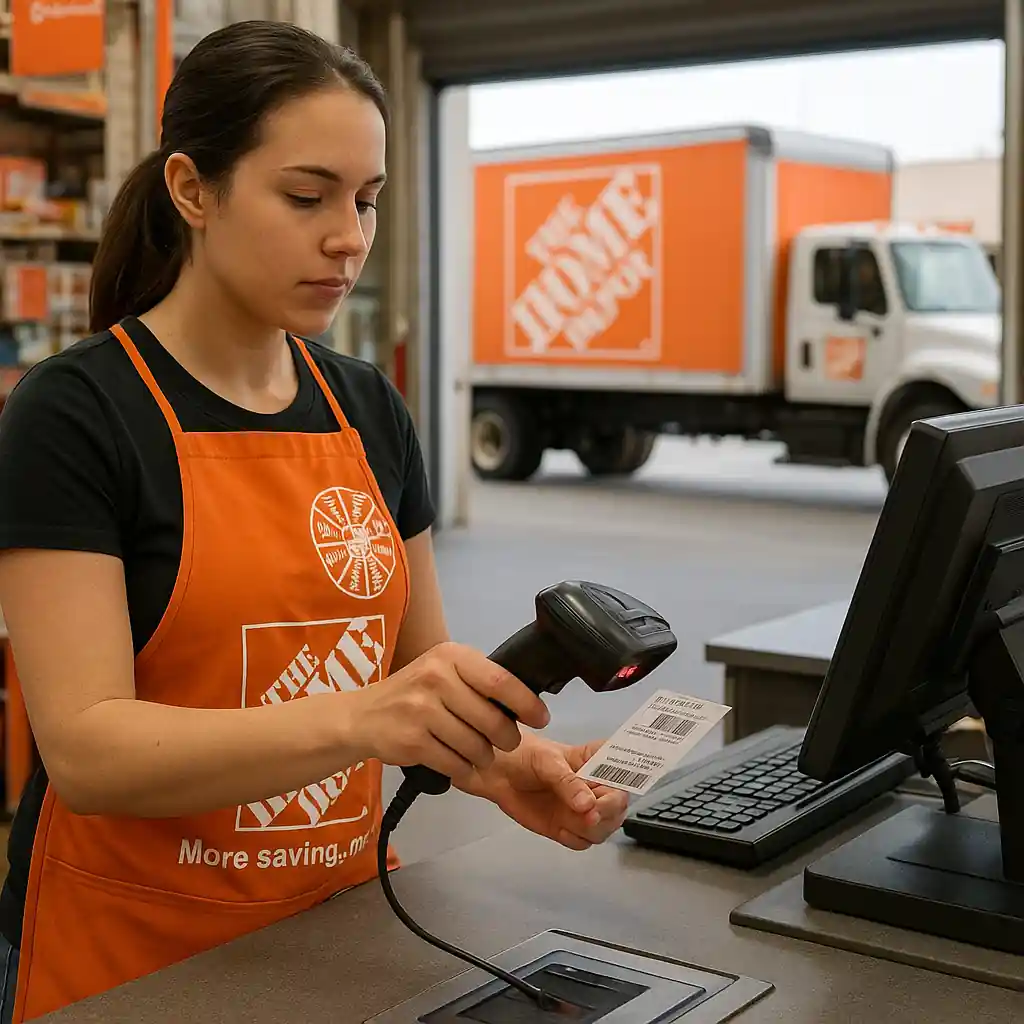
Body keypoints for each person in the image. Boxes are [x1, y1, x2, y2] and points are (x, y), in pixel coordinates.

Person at [0, 21, 627, 1024]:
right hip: (131, 964)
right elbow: (86, 749)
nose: (349, 236)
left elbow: (419, 677)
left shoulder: (367, 408)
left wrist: (512, 766)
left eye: (367, 200)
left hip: (330, 936)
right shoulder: (76, 414)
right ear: (192, 191)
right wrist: (355, 717)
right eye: (306, 197)